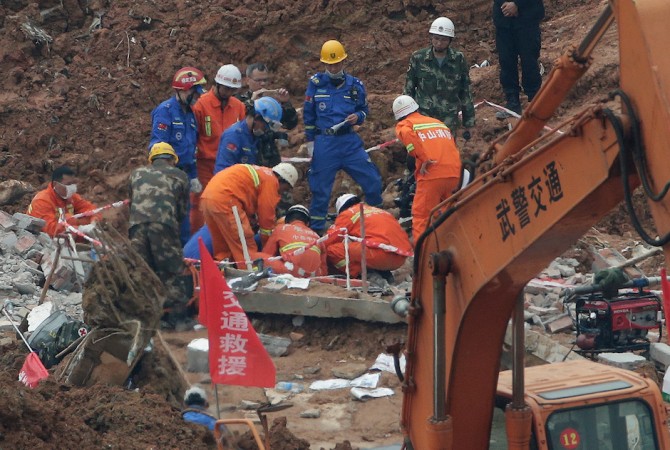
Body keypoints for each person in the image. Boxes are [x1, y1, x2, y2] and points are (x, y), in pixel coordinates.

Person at [303, 39, 382, 234]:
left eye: (337, 63)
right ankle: (316, 232)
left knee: (372, 180)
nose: (333, 67)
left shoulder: (355, 86)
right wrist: (311, 142)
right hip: (325, 143)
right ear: (324, 64)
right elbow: (309, 115)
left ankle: (376, 222)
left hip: (349, 142)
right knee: (320, 191)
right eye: (330, 64)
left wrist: (359, 117)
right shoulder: (316, 84)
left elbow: (364, 109)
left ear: (343, 62)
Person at [129, 143, 191, 327]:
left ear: (152, 160)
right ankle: (176, 319)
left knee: (142, 270)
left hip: (136, 226)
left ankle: (143, 318)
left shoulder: (136, 174)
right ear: (172, 160)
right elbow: (181, 210)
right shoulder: (179, 175)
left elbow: (132, 201)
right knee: (172, 271)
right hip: (164, 224)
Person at [149, 66, 207, 245]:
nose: (198, 97)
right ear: (184, 90)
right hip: (169, 177)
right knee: (168, 223)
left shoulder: (190, 115)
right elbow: (158, 146)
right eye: (195, 93)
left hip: (184, 176)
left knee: (184, 224)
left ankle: (183, 261)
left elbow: (190, 149)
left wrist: (194, 176)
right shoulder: (165, 111)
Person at [199, 162, 299, 266]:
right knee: (246, 247)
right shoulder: (271, 181)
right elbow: (266, 219)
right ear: (283, 181)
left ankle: (224, 273)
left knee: (223, 246)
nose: (282, 192)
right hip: (227, 201)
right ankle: (252, 275)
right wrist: (268, 248)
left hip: (208, 198)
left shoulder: (260, 173)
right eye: (285, 189)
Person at [393, 95, 462, 238]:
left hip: (432, 174)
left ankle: (422, 254)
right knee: (450, 213)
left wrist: (422, 157)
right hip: (455, 173)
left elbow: (407, 135)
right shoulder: (437, 123)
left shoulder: (405, 125)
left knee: (421, 216)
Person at [191, 64, 246, 232]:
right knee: (199, 206)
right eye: (227, 89)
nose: (229, 94)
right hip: (205, 165)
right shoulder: (201, 105)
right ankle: (196, 243)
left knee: (227, 205)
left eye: (233, 90)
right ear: (217, 84)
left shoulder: (238, 107)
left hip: (229, 167)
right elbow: (193, 136)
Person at [404, 17, 476, 137]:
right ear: (431, 37)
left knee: (446, 153)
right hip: (423, 118)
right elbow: (408, 89)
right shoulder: (418, 58)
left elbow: (465, 92)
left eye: (443, 40)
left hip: (448, 119)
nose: (439, 43)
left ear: (450, 40)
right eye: (436, 38)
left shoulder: (458, 59)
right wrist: (407, 117)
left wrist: (469, 122)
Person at [325, 194, 412, 279]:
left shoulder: (347, 214)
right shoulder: (379, 211)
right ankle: (380, 272)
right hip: (400, 258)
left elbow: (329, 239)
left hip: (380, 254)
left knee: (333, 250)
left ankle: (361, 275)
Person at [236, 62, 299, 167]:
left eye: (265, 80)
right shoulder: (239, 101)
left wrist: (285, 104)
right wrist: (252, 103)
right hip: (247, 156)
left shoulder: (271, 103)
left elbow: (290, 124)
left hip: (269, 156)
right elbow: (238, 121)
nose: (263, 84)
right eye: (258, 80)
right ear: (248, 81)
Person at [493, 0, 545, 119]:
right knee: (506, 62)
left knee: (529, 61)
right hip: (503, 21)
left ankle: (536, 101)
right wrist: (506, 6)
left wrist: (517, 4)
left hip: (528, 19)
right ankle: (512, 103)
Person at [214, 97, 284, 173]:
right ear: (256, 117)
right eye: (265, 126)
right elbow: (223, 171)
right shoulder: (233, 136)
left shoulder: (258, 137)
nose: (265, 130)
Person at [27, 166, 98, 237]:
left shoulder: (71, 196)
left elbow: (90, 209)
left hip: (64, 235)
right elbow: (50, 229)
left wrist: (94, 219)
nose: (72, 187)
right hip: (40, 240)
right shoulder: (42, 201)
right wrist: (79, 228)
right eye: (68, 184)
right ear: (55, 184)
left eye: (74, 183)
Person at [262, 205, 327, 278]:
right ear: (308, 223)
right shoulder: (318, 237)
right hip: (314, 278)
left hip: (291, 273)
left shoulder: (280, 229)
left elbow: (266, 256)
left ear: (286, 221)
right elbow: (324, 270)